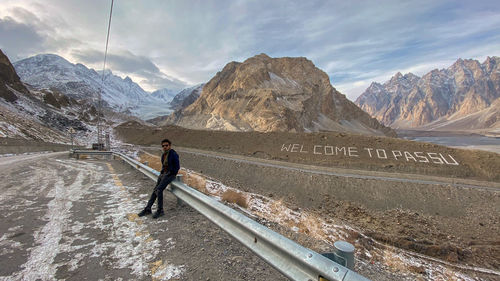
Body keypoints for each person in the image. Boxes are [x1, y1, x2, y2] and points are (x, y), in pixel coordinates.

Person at [138, 138, 180, 219]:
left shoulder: (173, 154)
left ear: (170, 146)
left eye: (166, 145)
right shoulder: (164, 154)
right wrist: (162, 172)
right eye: (163, 146)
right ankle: (148, 209)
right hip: (163, 174)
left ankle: (160, 210)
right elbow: (164, 165)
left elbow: (177, 167)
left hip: (169, 175)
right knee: (155, 190)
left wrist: (171, 173)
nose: (165, 147)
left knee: (159, 190)